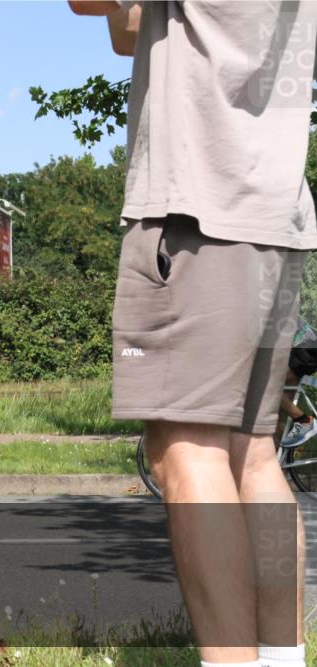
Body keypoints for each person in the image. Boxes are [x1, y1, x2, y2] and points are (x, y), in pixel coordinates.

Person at [68, 2, 316, 666]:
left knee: (187, 448)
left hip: (201, 202)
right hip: (274, 208)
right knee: (253, 454)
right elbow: (128, 33)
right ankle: (279, 658)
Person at [280, 317, 317, 447]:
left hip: (301, 348)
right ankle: (280, 464)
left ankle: (303, 421)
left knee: (262, 384)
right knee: (273, 414)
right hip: (303, 345)